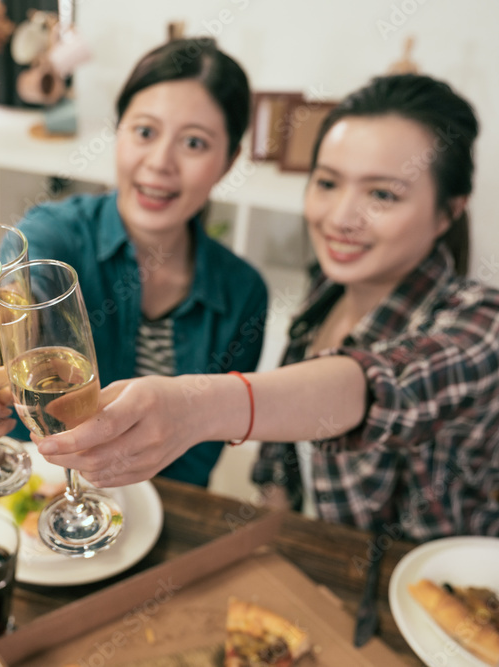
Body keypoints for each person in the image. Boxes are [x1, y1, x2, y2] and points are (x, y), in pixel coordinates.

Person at [33, 73, 499, 542]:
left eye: (382, 194)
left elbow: (378, 385)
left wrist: (194, 409)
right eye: (329, 183)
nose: (341, 218)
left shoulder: (482, 323)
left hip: (436, 599)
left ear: (449, 211)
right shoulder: (325, 299)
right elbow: (281, 471)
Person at [0, 38, 268, 487]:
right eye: (144, 132)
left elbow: (201, 454)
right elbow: (20, 300)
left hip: (160, 504)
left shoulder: (243, 291)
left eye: (194, 143)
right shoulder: (51, 233)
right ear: (118, 132)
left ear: (229, 160)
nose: (159, 163)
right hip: (44, 486)